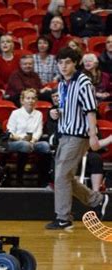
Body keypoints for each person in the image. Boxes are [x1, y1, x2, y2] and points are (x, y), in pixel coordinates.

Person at [45, 47, 109, 230]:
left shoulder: (83, 82)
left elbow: (90, 109)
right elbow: (68, 107)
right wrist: (55, 113)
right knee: (64, 176)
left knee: (62, 176)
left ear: (75, 63)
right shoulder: (62, 84)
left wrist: (93, 135)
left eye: (67, 62)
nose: (63, 66)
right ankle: (98, 199)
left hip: (78, 135)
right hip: (65, 133)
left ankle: (63, 217)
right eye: (60, 62)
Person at [6, 89, 51, 186]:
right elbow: (10, 132)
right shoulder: (15, 113)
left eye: (33, 98)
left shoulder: (38, 114)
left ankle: (43, 179)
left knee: (45, 146)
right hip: (16, 141)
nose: (31, 101)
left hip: (33, 141)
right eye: (28, 98)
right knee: (25, 145)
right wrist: (22, 139)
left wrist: (33, 140)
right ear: (22, 100)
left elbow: (39, 131)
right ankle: (19, 178)